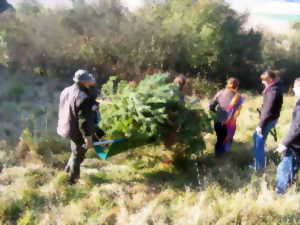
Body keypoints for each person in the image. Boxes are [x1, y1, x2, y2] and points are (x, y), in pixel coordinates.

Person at [57, 69, 96, 184]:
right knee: (78, 156)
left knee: (75, 152)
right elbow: (84, 121)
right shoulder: (83, 97)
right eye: (90, 79)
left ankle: (66, 172)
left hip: (65, 125)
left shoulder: (66, 90)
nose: (92, 79)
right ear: (84, 82)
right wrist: (88, 138)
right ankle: (72, 182)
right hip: (75, 130)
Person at [251, 70, 283, 170]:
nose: (262, 82)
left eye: (264, 80)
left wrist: (260, 125)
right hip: (270, 119)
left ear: (270, 80)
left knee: (258, 139)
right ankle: (259, 164)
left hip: (268, 119)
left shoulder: (273, 91)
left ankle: (259, 167)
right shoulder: (273, 88)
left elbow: (268, 110)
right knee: (257, 138)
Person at [276, 78, 300, 194]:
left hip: (295, 144)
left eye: (295, 88)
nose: (294, 90)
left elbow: (297, 128)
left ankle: (281, 193)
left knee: (284, 168)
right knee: (292, 167)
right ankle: (289, 190)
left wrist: (284, 143)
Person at [209, 77, 243, 157]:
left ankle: (218, 156)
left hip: (218, 120)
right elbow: (238, 111)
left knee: (219, 139)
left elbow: (211, 106)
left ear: (227, 85)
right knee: (227, 140)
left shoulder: (220, 93)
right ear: (237, 86)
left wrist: (215, 113)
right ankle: (223, 157)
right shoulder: (238, 97)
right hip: (230, 123)